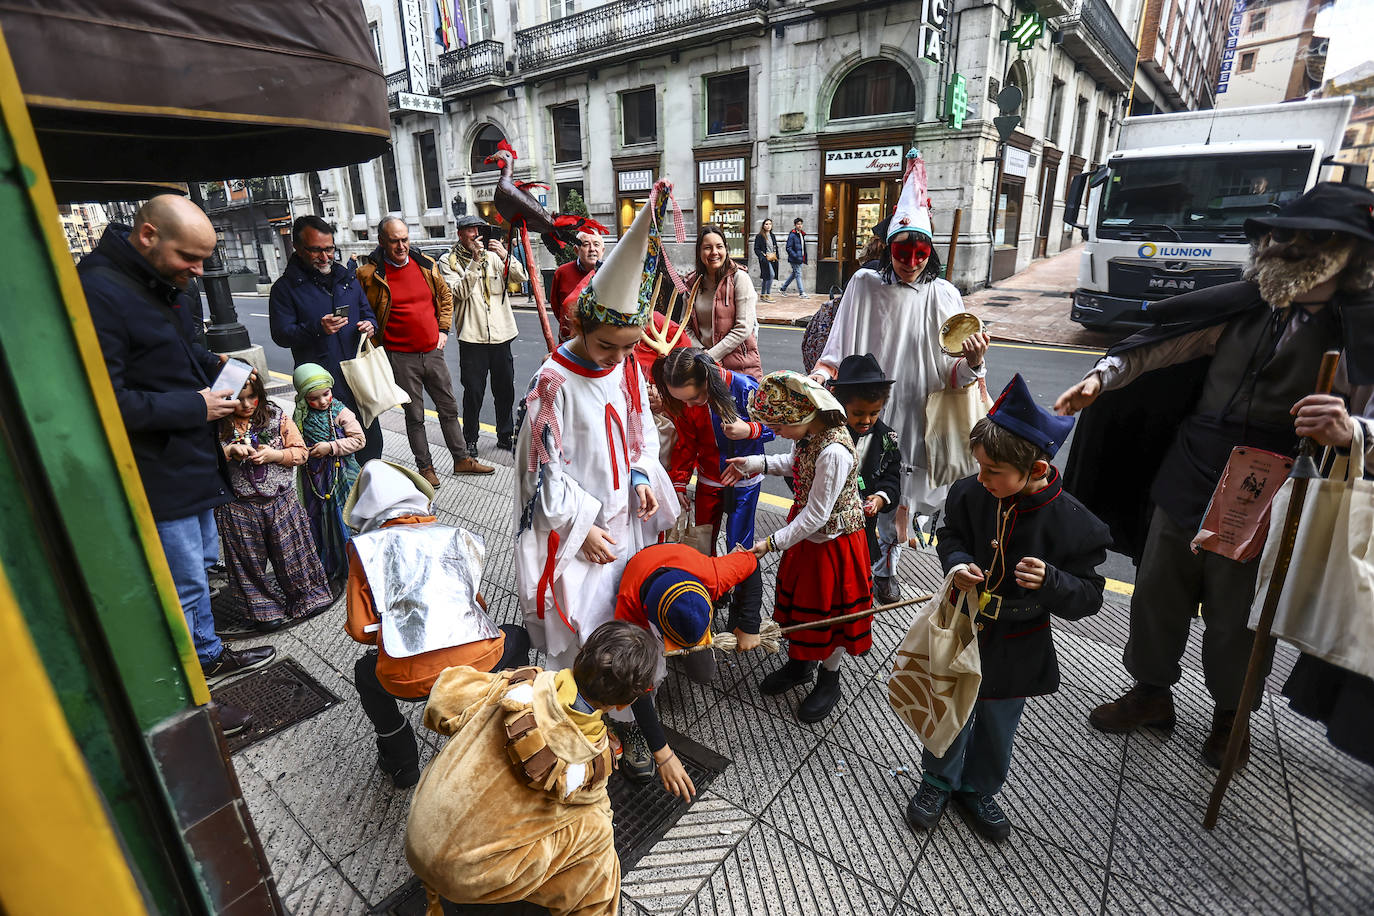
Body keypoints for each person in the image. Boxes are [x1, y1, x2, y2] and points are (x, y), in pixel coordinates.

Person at [1054, 182, 1374, 767]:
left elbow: (1368, 426)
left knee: (1236, 614)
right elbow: (1157, 348)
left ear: (1351, 255)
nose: (1289, 247)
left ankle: (1232, 717)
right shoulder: (1243, 307)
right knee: (1157, 590)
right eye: (1283, 235)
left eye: (1312, 239)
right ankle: (1151, 693)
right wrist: (1104, 376)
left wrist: (1351, 428)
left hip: (1273, 487)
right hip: (1192, 468)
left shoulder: (1359, 338)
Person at [83, 194, 273, 733]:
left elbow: (170, 353)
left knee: (200, 574)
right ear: (147, 236)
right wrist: (194, 405)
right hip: (157, 471)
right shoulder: (99, 291)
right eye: (189, 258)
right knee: (181, 585)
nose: (198, 272)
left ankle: (208, 654)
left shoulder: (156, 283)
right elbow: (102, 399)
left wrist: (215, 366)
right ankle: (194, 703)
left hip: (188, 462)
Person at [906, 374, 1111, 843]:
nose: (981, 478)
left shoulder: (1075, 523)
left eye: (993, 470)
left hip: (1019, 639)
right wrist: (957, 563)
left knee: (998, 721)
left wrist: (1053, 582)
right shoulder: (970, 493)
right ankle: (937, 780)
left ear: (1036, 468)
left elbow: (1090, 596)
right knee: (950, 708)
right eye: (979, 467)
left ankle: (979, 788)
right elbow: (953, 535)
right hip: (964, 625)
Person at [513, 180, 678, 732]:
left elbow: (640, 429)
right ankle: (587, 715)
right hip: (580, 531)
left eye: (630, 346)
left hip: (625, 516)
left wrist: (639, 473)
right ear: (580, 325)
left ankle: (631, 709)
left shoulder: (627, 366)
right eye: (608, 345)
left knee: (625, 613)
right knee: (586, 620)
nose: (620, 357)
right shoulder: (551, 384)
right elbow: (543, 472)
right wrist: (578, 525)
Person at [812, 150, 989, 598]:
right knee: (859, 479)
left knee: (900, 487)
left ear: (928, 254)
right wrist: (825, 370)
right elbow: (840, 342)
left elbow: (954, 371)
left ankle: (888, 566)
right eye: (902, 251)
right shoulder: (863, 285)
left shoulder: (945, 294)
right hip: (867, 406)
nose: (910, 260)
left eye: (919, 252)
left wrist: (973, 362)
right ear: (889, 249)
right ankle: (849, 557)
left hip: (916, 406)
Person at [404, 621, 657, 915]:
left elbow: (443, 701)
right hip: (470, 876)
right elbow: (590, 806)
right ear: (621, 703)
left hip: (418, 837)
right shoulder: (592, 759)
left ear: (580, 655)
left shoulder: (519, 685)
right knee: (597, 840)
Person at [343, 460, 531, 789]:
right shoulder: (453, 536)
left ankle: (401, 762)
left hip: (410, 681)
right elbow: (478, 606)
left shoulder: (366, 550)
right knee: (516, 637)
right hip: (480, 662)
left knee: (365, 673)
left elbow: (361, 629)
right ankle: (513, 717)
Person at [722, 371, 872, 724]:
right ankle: (800, 664)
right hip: (805, 537)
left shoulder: (834, 451)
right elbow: (793, 465)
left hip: (833, 543)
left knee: (833, 614)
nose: (777, 434)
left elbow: (818, 515)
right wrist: (754, 464)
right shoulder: (810, 435)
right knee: (804, 606)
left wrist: (770, 543)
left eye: (780, 426)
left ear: (802, 417)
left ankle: (829, 679)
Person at [356, 217, 494, 489]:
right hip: (400, 356)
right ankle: (426, 468)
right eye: (394, 241)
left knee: (449, 408)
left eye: (405, 239)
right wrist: (370, 329)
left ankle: (461, 459)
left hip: (432, 352)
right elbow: (364, 310)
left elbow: (445, 298)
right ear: (382, 242)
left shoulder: (426, 266)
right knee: (415, 415)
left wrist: (443, 330)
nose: (401, 246)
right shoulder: (369, 275)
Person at [611, 542, 761, 790]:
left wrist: (749, 624)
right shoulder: (629, 609)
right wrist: (663, 753)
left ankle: (690, 640)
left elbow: (752, 563)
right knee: (636, 671)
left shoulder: (713, 574)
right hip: (644, 577)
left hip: (687, 570)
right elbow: (636, 685)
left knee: (703, 672)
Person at [216, 373, 332, 631]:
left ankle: (307, 595)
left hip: (280, 499)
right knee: (247, 561)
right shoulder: (216, 424)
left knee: (293, 551)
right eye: (237, 399)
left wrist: (275, 454)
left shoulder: (276, 416)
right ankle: (262, 609)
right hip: (238, 504)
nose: (246, 405)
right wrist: (227, 451)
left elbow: (300, 453)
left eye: (252, 397)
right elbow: (203, 461)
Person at [268, 215, 383, 464]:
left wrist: (369, 325)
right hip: (322, 386)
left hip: (358, 376)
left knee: (370, 443)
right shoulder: (284, 289)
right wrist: (317, 328)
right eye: (316, 250)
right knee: (335, 454)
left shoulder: (346, 279)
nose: (325, 257)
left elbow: (367, 313)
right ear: (297, 249)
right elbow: (281, 335)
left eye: (329, 249)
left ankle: (374, 496)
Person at [655, 347, 772, 558]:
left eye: (694, 398)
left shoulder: (744, 387)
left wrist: (749, 430)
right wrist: (680, 482)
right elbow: (686, 442)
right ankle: (709, 586)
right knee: (702, 540)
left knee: (740, 545)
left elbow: (775, 425)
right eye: (683, 401)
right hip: (708, 478)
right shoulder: (688, 402)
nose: (688, 405)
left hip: (745, 478)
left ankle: (743, 585)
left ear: (707, 380)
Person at [438, 214, 528, 454]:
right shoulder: (448, 261)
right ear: (460, 233)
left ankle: (505, 435)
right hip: (473, 338)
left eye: (479, 229)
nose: (476, 234)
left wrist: (505, 254)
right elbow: (458, 292)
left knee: (505, 390)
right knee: (474, 392)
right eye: (471, 230)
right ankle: (471, 439)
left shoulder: (493, 257)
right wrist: (475, 263)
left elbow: (521, 277)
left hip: (501, 336)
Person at [828, 354, 904, 604]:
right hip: (826, 526)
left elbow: (892, 479)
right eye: (858, 413)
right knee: (827, 580)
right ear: (841, 404)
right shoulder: (825, 433)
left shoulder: (886, 438)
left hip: (862, 530)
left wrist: (881, 499)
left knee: (856, 581)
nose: (866, 420)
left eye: (874, 413)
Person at [292, 363, 365, 595]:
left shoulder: (341, 412)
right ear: (303, 398)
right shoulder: (300, 414)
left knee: (343, 516)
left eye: (326, 394)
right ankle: (331, 561)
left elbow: (359, 440)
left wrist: (330, 447)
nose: (323, 401)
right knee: (321, 518)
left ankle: (352, 563)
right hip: (315, 477)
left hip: (340, 474)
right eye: (315, 398)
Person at [684, 224, 761, 379]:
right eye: (707, 247)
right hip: (704, 367)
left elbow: (743, 327)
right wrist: (701, 354)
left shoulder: (740, 279)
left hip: (740, 369)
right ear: (699, 252)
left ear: (726, 249)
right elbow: (685, 327)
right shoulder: (692, 283)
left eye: (719, 246)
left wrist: (710, 356)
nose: (714, 252)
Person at [550, 230, 604, 341]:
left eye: (596, 244)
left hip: (600, 341)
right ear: (576, 250)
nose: (592, 249)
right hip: (570, 339)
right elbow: (557, 307)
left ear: (602, 250)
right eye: (585, 245)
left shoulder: (610, 273)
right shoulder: (562, 273)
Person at [780, 217, 807, 297]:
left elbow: (802, 247)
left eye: (801, 224)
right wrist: (795, 256)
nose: (800, 225)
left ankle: (783, 288)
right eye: (798, 224)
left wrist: (803, 257)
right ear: (795, 225)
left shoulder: (801, 234)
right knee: (798, 274)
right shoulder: (792, 235)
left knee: (794, 274)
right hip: (794, 259)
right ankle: (802, 293)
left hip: (800, 258)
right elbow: (788, 248)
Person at [753, 218, 779, 302]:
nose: (768, 226)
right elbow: (756, 248)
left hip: (773, 258)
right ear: (763, 226)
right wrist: (762, 256)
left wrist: (777, 255)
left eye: (770, 224)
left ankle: (763, 294)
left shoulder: (772, 235)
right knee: (771, 275)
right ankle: (768, 294)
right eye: (766, 224)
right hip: (765, 259)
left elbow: (775, 246)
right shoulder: (760, 236)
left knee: (765, 277)